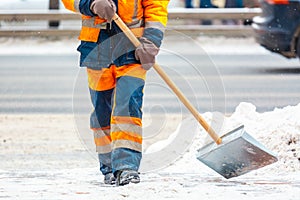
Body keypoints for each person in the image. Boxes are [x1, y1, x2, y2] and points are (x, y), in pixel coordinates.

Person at [61, 0, 169, 186]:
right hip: (96, 49)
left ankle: (127, 167)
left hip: (132, 49)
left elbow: (156, 7)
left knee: (127, 108)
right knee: (102, 111)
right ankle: (109, 167)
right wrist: (91, 4)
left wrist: (151, 42)